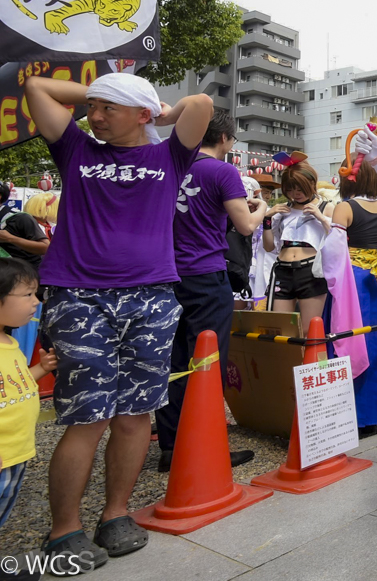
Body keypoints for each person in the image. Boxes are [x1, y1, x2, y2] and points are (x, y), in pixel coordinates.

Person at [24, 71, 212, 565]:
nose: (95, 116)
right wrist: (101, 94)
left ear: (142, 113)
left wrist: (162, 112)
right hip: (79, 297)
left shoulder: (168, 155)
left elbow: (200, 103)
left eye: (109, 108)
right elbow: (37, 89)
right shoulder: (76, 149)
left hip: (152, 297)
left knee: (134, 415)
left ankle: (116, 514)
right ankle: (64, 530)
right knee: (87, 417)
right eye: (93, 106)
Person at [157, 110, 265, 473]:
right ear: (224, 139)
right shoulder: (222, 171)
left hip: (167, 273)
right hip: (206, 272)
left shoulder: (171, 165)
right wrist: (262, 208)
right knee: (206, 359)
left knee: (173, 360)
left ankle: (171, 445)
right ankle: (204, 445)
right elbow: (245, 226)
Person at [331, 151, 377, 437]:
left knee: (350, 338)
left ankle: (351, 414)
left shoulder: (344, 208)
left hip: (353, 280)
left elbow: (333, 253)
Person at [0, 259, 58, 536]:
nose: (36, 302)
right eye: (27, 294)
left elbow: (15, 383)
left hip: (17, 452)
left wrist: (41, 369)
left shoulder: (10, 344)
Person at [262, 155, 331, 334]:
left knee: (310, 331)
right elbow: (269, 247)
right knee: (281, 329)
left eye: (300, 189)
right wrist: (267, 219)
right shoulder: (282, 210)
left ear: (312, 184)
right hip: (282, 270)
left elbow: (338, 239)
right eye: (290, 189)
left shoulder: (326, 207)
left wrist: (321, 217)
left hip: (311, 271)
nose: (295, 193)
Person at [0, 182, 49, 361]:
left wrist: (10, 238)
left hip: (22, 286)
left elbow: (45, 247)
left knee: (16, 331)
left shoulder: (19, 218)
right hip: (3, 284)